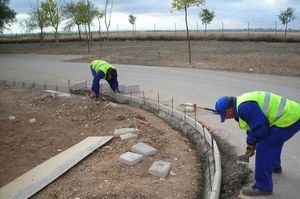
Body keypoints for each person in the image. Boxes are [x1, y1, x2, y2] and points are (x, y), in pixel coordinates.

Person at [215, 91, 300, 196]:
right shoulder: (241, 104)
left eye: (225, 115)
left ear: (229, 109)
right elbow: (253, 125)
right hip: (292, 113)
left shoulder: (244, 108)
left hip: (290, 117)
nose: (227, 118)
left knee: (263, 146)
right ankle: (275, 166)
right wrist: (250, 143)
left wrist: (252, 143)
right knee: (274, 140)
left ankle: (263, 186)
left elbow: (261, 129)